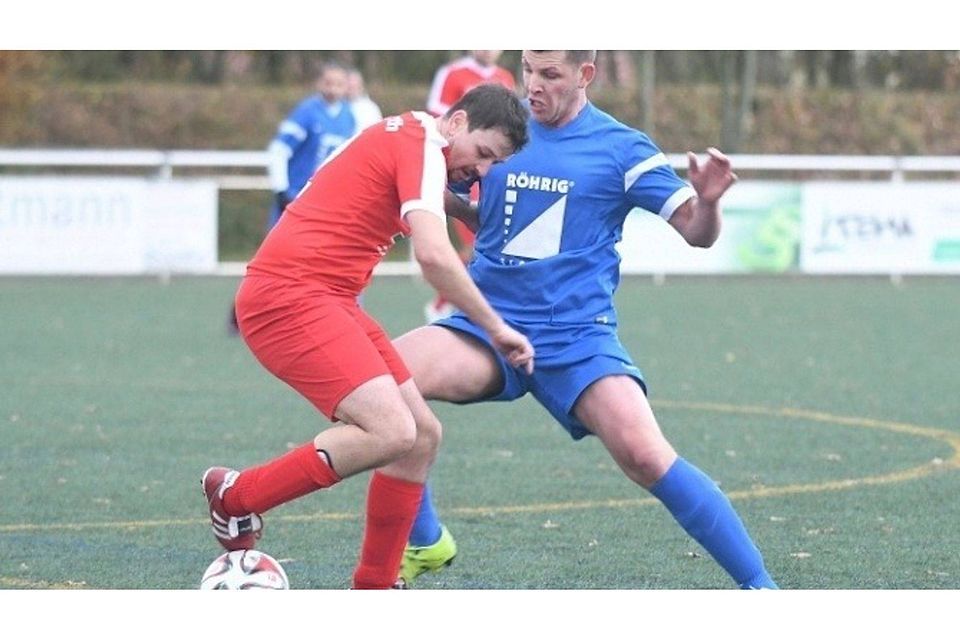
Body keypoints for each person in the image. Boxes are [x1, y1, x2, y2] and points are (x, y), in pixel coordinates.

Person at [393, 50, 779, 589]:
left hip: (575, 337)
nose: (533, 85)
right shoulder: (505, 131)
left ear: (585, 75)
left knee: (646, 455)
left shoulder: (620, 148)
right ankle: (427, 541)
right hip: (485, 324)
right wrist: (453, 206)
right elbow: (505, 223)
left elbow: (696, 231)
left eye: (550, 74)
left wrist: (709, 202)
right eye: (529, 69)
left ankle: (763, 590)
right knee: (384, 381)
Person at [201, 84, 534, 590]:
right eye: (484, 154)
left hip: (327, 298)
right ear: (458, 122)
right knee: (391, 431)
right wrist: (497, 328)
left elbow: (421, 191)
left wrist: (471, 212)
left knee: (421, 437)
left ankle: (373, 588)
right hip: (287, 298)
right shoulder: (422, 145)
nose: (482, 170)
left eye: (493, 165)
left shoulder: (416, 136)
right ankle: (235, 495)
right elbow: (434, 257)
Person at [229, 62, 358, 335]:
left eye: (338, 83)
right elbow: (278, 149)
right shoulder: (308, 112)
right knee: (273, 259)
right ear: (319, 83)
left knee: (326, 260)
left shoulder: (349, 117)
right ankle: (240, 313)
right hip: (295, 199)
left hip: (326, 203)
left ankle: (322, 315)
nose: (333, 88)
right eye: (328, 82)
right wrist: (281, 191)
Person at [424, 51, 517, 323]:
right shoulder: (453, 73)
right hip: (461, 172)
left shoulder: (505, 77)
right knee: (475, 244)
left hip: (488, 175)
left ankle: (464, 304)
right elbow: (437, 120)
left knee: (488, 242)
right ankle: (443, 304)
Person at [346, 67, 383, 132]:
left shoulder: (370, 108)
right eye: (348, 85)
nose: (350, 87)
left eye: (354, 86)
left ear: (361, 86)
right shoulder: (338, 106)